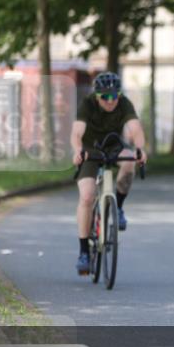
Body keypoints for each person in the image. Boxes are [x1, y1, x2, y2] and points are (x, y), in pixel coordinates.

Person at [71, 71, 147, 276]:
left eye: (114, 95)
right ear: (97, 96)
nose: (111, 100)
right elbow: (77, 132)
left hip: (114, 146)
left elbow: (136, 129)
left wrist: (140, 149)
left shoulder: (124, 103)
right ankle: (84, 251)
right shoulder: (87, 104)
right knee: (87, 196)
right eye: (105, 96)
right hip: (90, 150)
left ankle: (118, 208)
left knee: (129, 161)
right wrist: (78, 150)